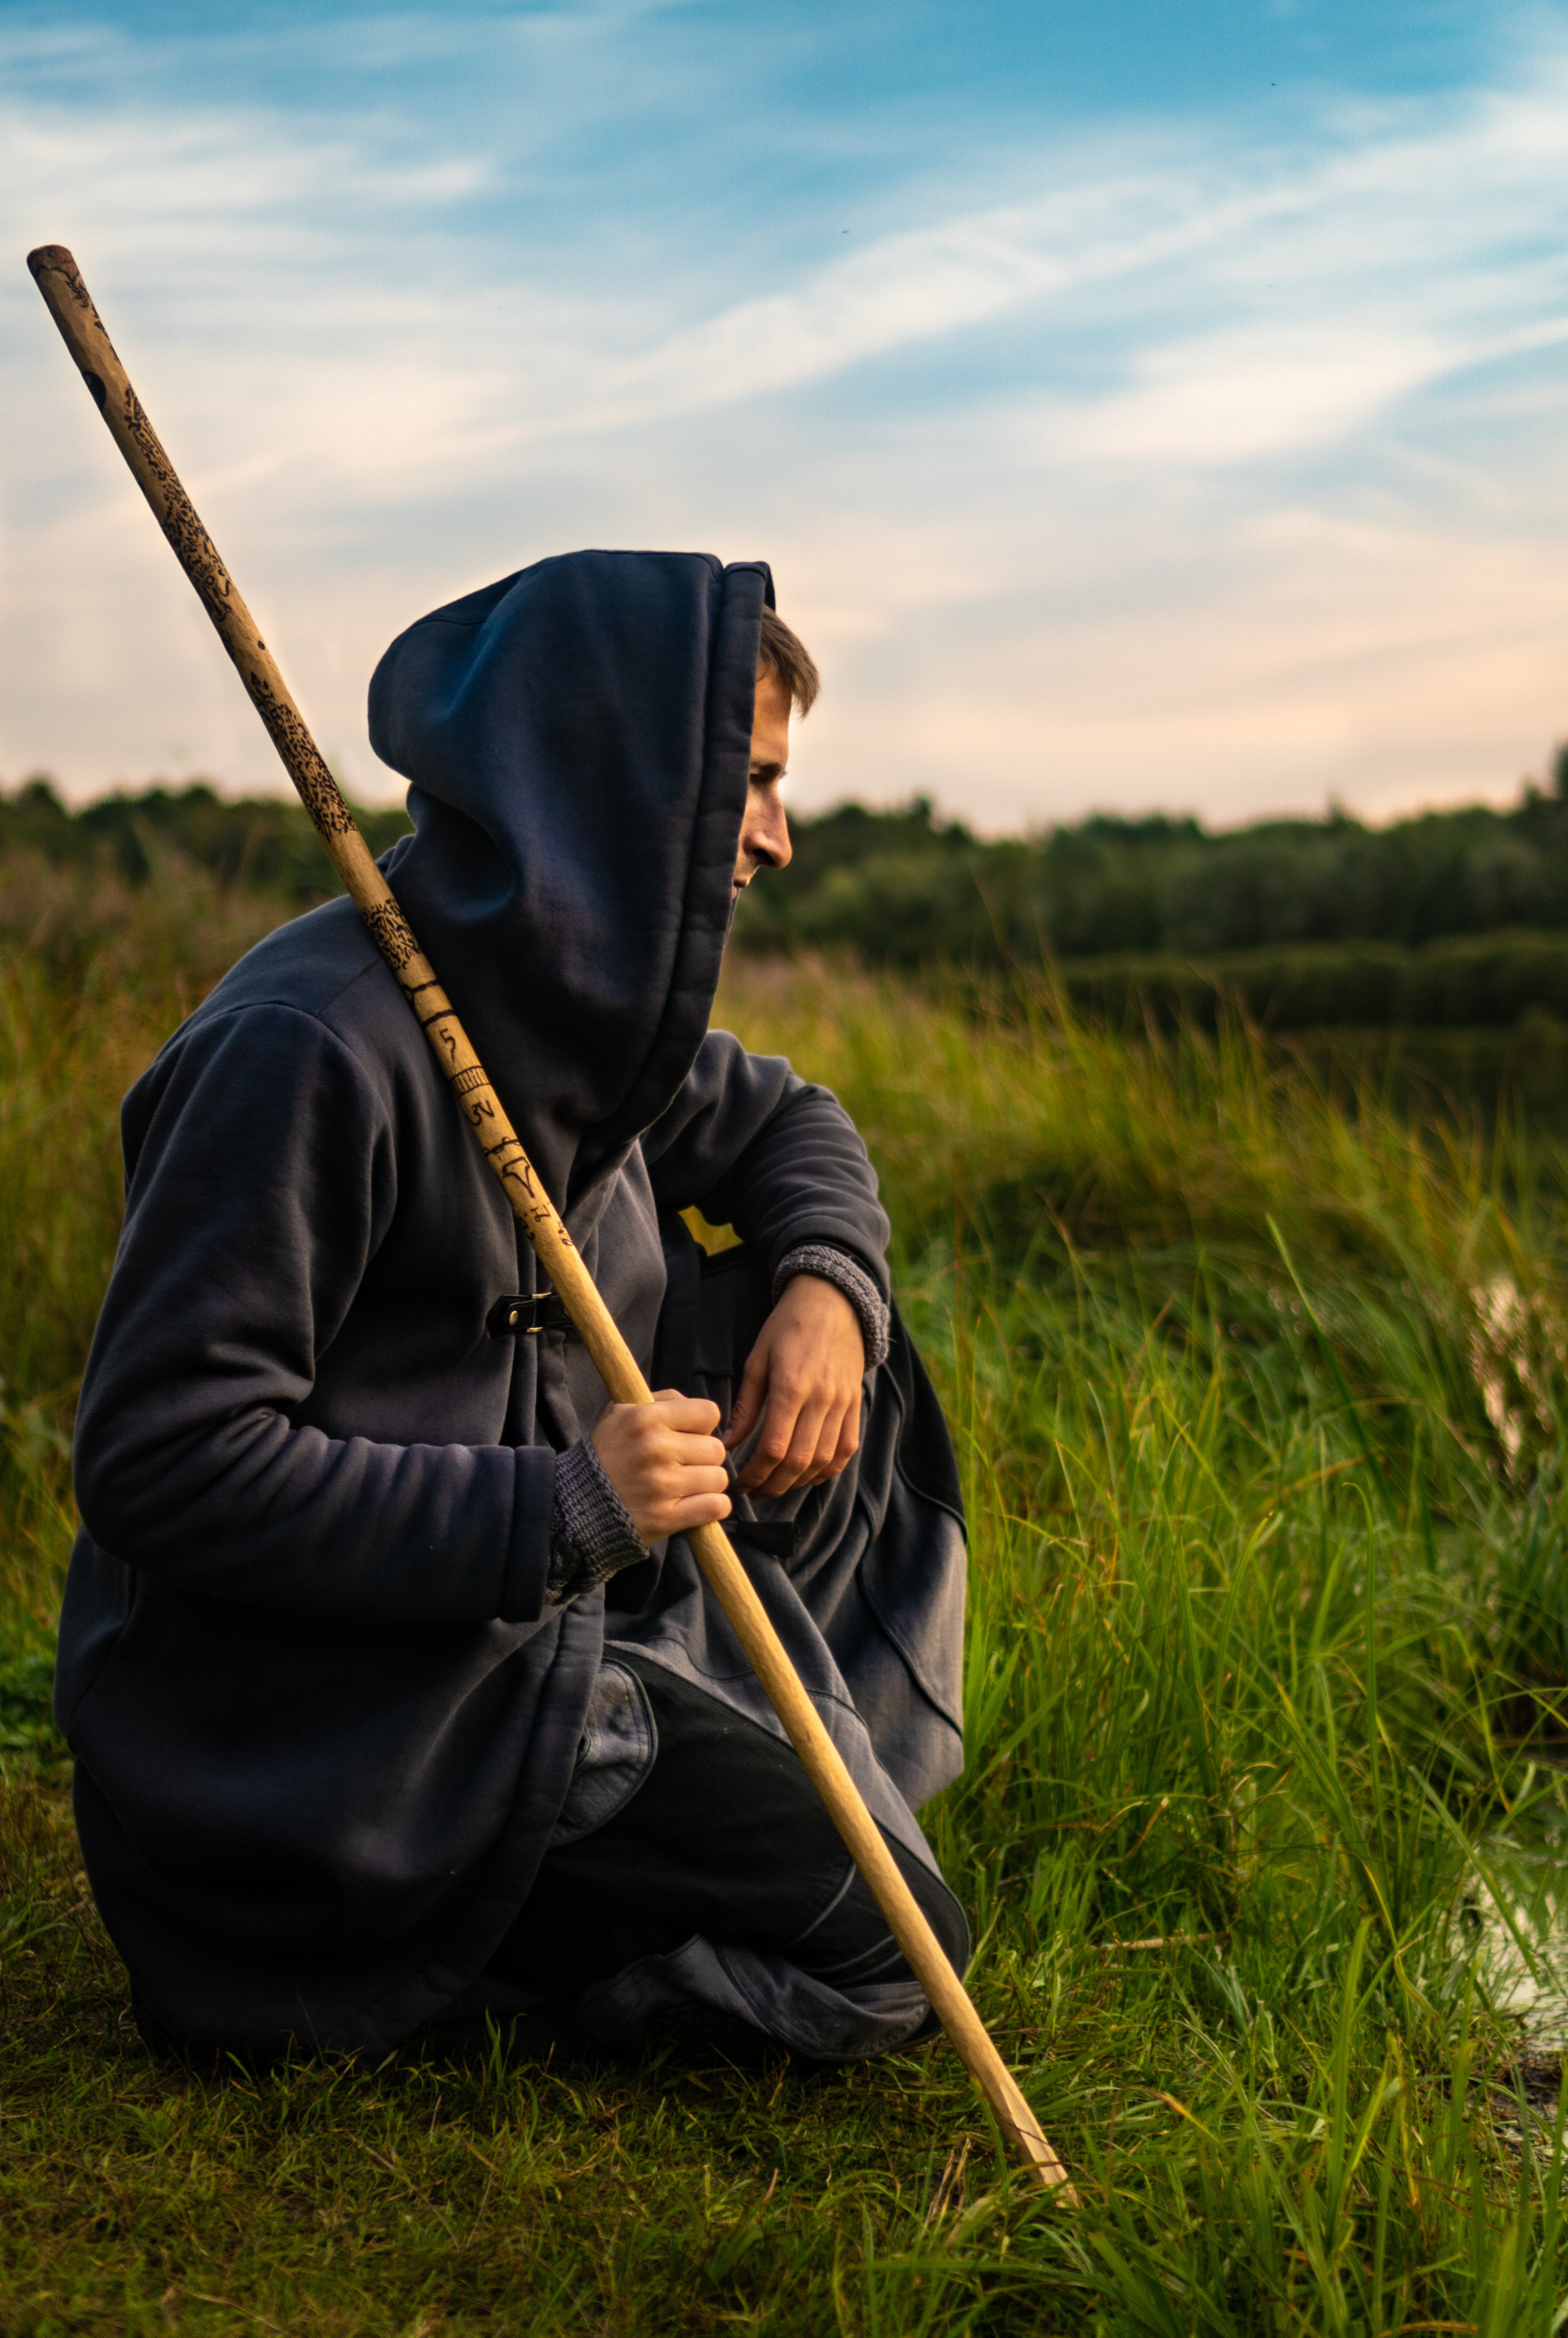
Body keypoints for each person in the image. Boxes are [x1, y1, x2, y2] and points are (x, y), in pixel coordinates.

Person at [57, 550, 970, 2067]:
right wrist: (564, 1509)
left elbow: (788, 1126)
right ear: (619, 781)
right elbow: (162, 1460)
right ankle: (397, 1968)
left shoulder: (568, 1003)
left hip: (540, 1624)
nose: (778, 838)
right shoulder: (310, 1047)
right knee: (888, 1962)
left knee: (822, 1340)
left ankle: (694, 1761)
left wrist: (830, 1293)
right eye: (745, 783)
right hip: (339, 1728)